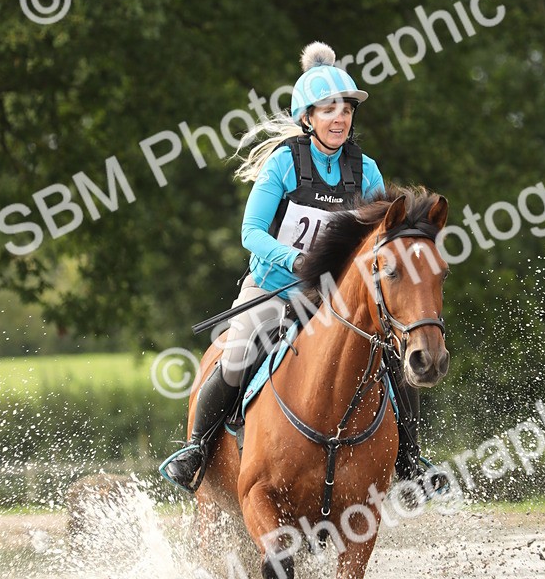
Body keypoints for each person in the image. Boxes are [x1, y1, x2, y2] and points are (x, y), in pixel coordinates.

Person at [159, 41, 433, 494]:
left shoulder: (365, 171)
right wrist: (296, 260)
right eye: (329, 109)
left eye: (346, 109)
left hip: (333, 298)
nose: (340, 117)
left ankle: (410, 458)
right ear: (307, 118)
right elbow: (251, 232)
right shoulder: (284, 163)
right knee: (237, 355)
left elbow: (381, 237)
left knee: (392, 356)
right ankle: (196, 451)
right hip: (274, 287)